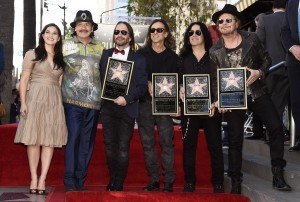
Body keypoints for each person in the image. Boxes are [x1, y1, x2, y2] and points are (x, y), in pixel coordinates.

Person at [209, 4, 291, 194]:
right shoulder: (214, 52)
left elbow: (267, 59)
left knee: (276, 127)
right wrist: (218, 100)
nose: (224, 23)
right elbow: (214, 80)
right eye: (220, 21)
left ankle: (278, 174)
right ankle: (236, 181)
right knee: (235, 139)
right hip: (232, 99)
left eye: (228, 20)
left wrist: (259, 72)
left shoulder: (252, 39)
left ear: (236, 23)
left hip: (257, 92)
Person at [14, 23, 67, 195]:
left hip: (53, 101)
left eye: (55, 33)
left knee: (49, 140)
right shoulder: (33, 54)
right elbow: (24, 80)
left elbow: (59, 84)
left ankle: (43, 178)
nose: (51, 35)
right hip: (35, 98)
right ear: (42, 35)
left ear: (59, 38)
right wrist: (23, 103)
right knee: (34, 140)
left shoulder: (60, 59)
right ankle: (33, 177)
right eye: (48, 32)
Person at [100, 21, 148, 191]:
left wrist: (127, 98)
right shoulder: (105, 54)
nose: (120, 35)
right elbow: (100, 79)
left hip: (127, 108)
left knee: (122, 147)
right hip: (107, 108)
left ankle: (118, 183)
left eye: (124, 32)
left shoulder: (139, 59)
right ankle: (112, 178)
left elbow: (142, 87)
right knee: (109, 146)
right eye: (117, 32)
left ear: (130, 37)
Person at [178, 21, 224, 193]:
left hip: (212, 109)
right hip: (189, 111)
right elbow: (177, 82)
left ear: (205, 35)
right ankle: (189, 182)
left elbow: (221, 81)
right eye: (190, 33)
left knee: (215, 146)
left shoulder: (215, 56)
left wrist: (217, 102)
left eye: (198, 32)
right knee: (189, 146)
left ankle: (218, 182)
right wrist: (180, 90)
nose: (194, 36)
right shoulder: (182, 59)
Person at [62, 10, 104, 191]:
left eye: (87, 25)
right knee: (73, 140)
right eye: (80, 24)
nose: (84, 27)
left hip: (94, 104)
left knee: (87, 142)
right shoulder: (64, 45)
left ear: (92, 28)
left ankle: (81, 179)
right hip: (71, 102)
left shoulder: (101, 48)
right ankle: (69, 180)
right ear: (75, 28)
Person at [136, 19, 178, 192]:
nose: (155, 33)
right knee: (147, 143)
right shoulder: (141, 54)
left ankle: (168, 180)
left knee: (167, 142)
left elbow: (179, 81)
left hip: (165, 105)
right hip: (145, 104)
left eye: (159, 30)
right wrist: (146, 83)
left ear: (166, 33)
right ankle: (154, 179)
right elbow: (135, 77)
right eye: (152, 30)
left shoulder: (173, 57)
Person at [253, 0, 290, 141]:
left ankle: (272, 134)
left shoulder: (265, 20)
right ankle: (293, 135)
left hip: (271, 69)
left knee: (273, 104)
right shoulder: (291, 19)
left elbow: (257, 44)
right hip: (291, 67)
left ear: (273, 7)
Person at [281, 0, 300, 151]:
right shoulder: (291, 3)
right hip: (295, 60)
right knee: (297, 101)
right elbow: (285, 31)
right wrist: (292, 47)